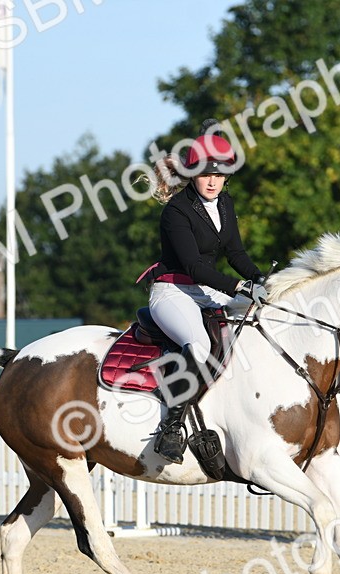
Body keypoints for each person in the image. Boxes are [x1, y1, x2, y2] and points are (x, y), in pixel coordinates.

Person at [143, 120, 268, 463]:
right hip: (172, 292)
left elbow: (236, 254)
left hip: (204, 290)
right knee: (199, 344)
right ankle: (171, 428)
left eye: (219, 175)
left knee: (259, 318)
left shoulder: (225, 203)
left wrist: (261, 280)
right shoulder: (176, 211)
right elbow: (195, 267)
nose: (212, 181)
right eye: (204, 174)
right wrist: (241, 286)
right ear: (191, 175)